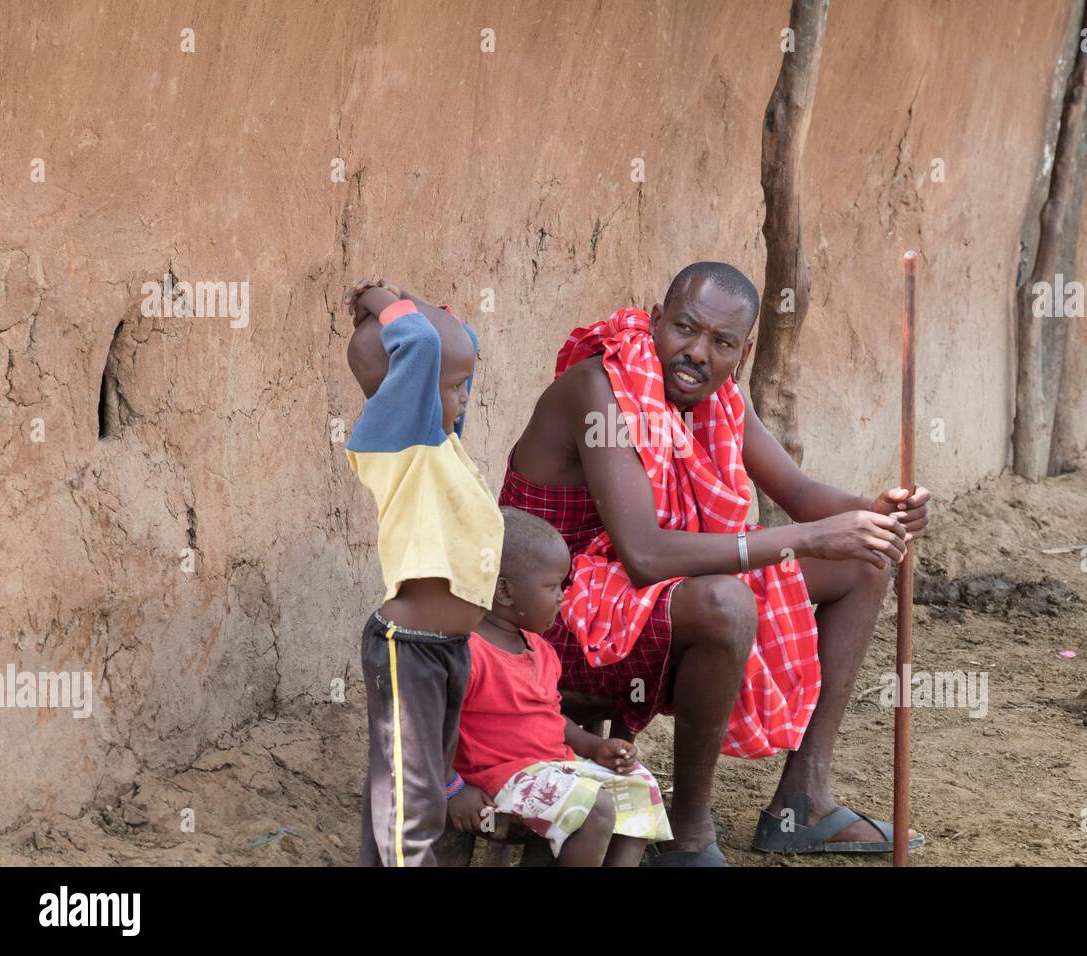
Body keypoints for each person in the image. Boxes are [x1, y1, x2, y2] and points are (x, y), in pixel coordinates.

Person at [499, 262, 931, 864]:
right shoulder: (597, 390)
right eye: (684, 328)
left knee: (862, 564)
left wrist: (874, 514)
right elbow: (646, 554)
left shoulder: (719, 400)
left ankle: (802, 801)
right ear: (655, 320)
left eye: (721, 343)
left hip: (635, 597)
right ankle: (688, 831)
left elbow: (801, 495)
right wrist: (808, 539)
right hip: (552, 615)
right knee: (728, 603)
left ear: (743, 352)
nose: (696, 353)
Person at [344, 278, 504, 866]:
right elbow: (421, 347)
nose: (466, 397)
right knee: (412, 802)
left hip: (446, 650)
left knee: (414, 784)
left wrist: (431, 306)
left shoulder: (440, 444)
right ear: (405, 389)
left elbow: (456, 348)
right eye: (456, 388)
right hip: (405, 650)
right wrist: (383, 300)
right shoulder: (398, 443)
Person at [447, 506, 672, 866]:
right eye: (553, 586)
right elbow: (432, 728)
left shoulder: (540, 650)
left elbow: (551, 718)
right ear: (505, 591)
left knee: (639, 787)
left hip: (551, 767)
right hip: (498, 780)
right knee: (595, 808)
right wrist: (452, 788)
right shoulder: (468, 652)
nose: (562, 596)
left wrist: (594, 746)